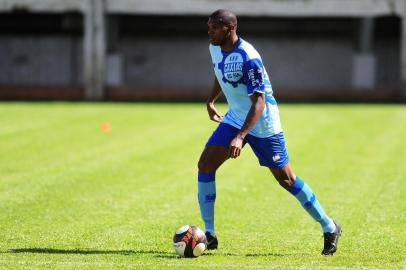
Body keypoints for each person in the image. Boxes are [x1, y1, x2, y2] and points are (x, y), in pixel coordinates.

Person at [197, 9, 341, 255]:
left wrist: (241, 137)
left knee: (286, 179)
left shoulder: (248, 57)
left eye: (213, 27)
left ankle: (329, 226)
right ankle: (209, 235)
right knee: (205, 165)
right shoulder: (215, 46)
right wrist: (211, 100)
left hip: (263, 123)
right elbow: (219, 72)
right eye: (208, 26)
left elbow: (259, 102)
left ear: (229, 28)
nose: (208, 31)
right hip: (235, 116)